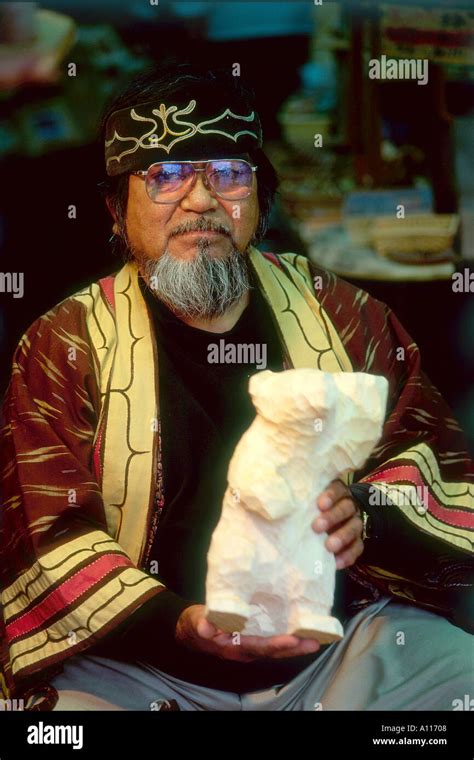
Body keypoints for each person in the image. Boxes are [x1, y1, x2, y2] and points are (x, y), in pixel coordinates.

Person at [0, 63, 472, 712]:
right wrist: (181, 623)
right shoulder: (64, 344)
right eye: (165, 176)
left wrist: (369, 513)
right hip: (138, 667)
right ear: (115, 210)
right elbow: (45, 533)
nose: (201, 201)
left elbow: (442, 474)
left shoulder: (343, 313)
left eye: (229, 174)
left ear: (259, 203)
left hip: (336, 652)